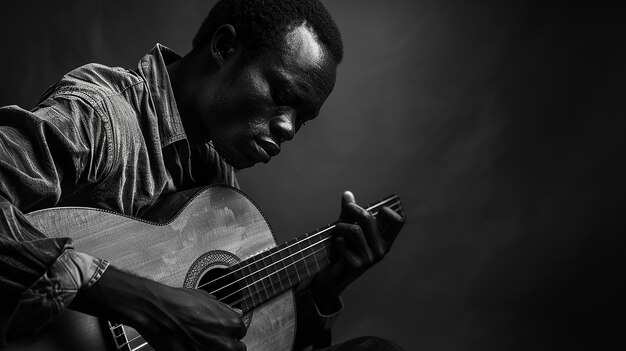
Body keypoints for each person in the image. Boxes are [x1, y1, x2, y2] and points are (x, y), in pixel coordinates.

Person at [0, 0, 405, 350]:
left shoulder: (216, 174)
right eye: (282, 96)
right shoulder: (102, 117)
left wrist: (326, 286)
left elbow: (241, 337)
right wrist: (146, 302)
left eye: (303, 119)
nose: (287, 128)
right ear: (225, 47)